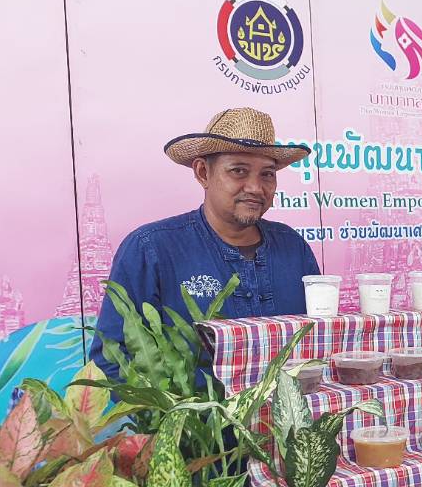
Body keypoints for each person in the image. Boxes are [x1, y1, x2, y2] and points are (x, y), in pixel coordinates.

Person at [91, 107, 317, 370]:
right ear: (202, 173)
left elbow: (320, 340)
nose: (256, 188)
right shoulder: (151, 248)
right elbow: (112, 359)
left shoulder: (293, 247)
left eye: (267, 174)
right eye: (239, 171)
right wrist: (179, 409)